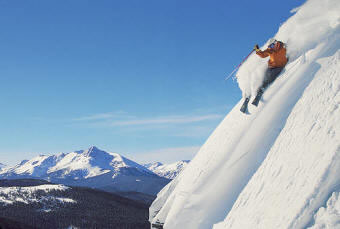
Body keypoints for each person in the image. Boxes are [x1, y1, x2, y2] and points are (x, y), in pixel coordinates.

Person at [252, 39, 288, 106]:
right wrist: (257, 50)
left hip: (279, 67)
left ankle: (263, 88)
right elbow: (262, 55)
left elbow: (289, 49)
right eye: (270, 46)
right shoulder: (270, 50)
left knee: (270, 77)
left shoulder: (283, 46)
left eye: (272, 45)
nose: (271, 47)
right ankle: (259, 90)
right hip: (271, 67)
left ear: (275, 43)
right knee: (265, 77)